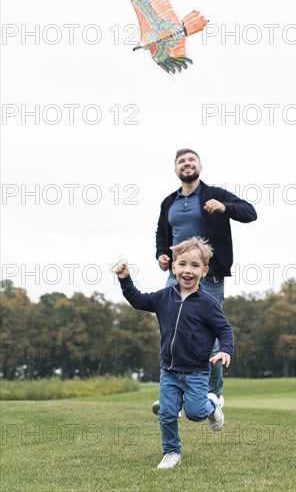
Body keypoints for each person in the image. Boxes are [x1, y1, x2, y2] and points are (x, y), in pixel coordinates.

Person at [116, 237, 234, 469]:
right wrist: (125, 280)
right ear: (174, 267)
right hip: (169, 370)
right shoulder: (164, 297)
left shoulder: (208, 303)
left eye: (194, 265)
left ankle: (211, 405)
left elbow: (225, 329)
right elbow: (138, 300)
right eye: (182, 264)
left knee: (195, 413)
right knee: (167, 414)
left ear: (204, 270)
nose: (187, 270)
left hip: (197, 372)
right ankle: (171, 452)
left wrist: (226, 350)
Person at [155, 148, 257, 406]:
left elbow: (250, 212)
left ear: (200, 166)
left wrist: (225, 207)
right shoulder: (169, 202)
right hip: (177, 276)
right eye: (181, 161)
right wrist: (161, 255)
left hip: (208, 278)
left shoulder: (215, 195)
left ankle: (214, 394)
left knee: (208, 336)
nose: (187, 164)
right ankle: (173, 398)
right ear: (176, 169)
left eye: (191, 161)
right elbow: (161, 233)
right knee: (173, 331)